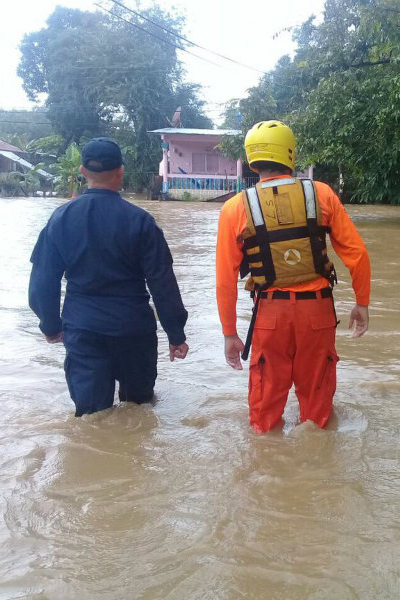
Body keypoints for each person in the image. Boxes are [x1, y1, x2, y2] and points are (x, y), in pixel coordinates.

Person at [216, 120, 371, 434]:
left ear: (252, 159)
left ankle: (268, 472)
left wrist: (229, 332)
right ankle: (316, 470)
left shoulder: (234, 208)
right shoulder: (322, 194)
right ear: (290, 154)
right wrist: (362, 303)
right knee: (318, 412)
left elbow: (224, 279)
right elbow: (357, 255)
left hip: (269, 317)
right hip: (317, 313)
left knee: (264, 415)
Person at [29, 137, 189, 416]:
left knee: (92, 418)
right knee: (138, 412)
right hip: (134, 330)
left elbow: (44, 280)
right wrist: (175, 334)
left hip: (84, 330)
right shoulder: (141, 221)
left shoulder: (60, 219)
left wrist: (51, 325)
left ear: (82, 172)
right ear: (120, 171)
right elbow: (162, 282)